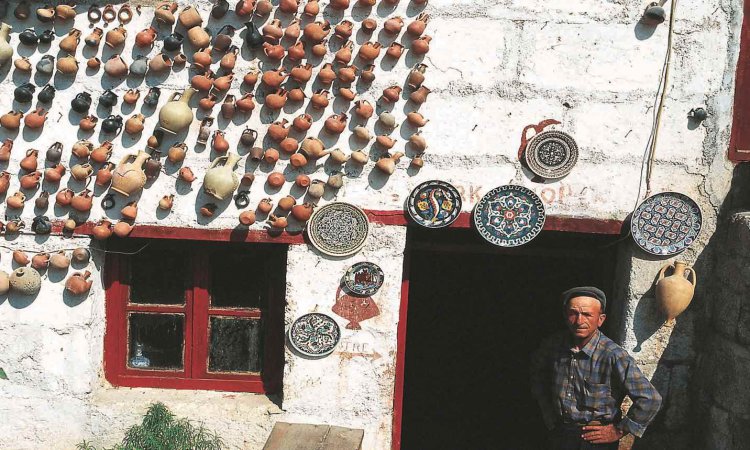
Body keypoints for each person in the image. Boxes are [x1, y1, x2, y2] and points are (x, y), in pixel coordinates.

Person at [530, 286, 662, 450]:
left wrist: (618, 430)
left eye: (587, 314)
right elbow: (537, 377)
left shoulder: (613, 355)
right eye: (573, 313)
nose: (579, 321)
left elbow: (650, 398)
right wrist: (548, 414)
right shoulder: (553, 346)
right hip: (560, 434)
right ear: (565, 316)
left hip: (596, 440)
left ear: (600, 319)